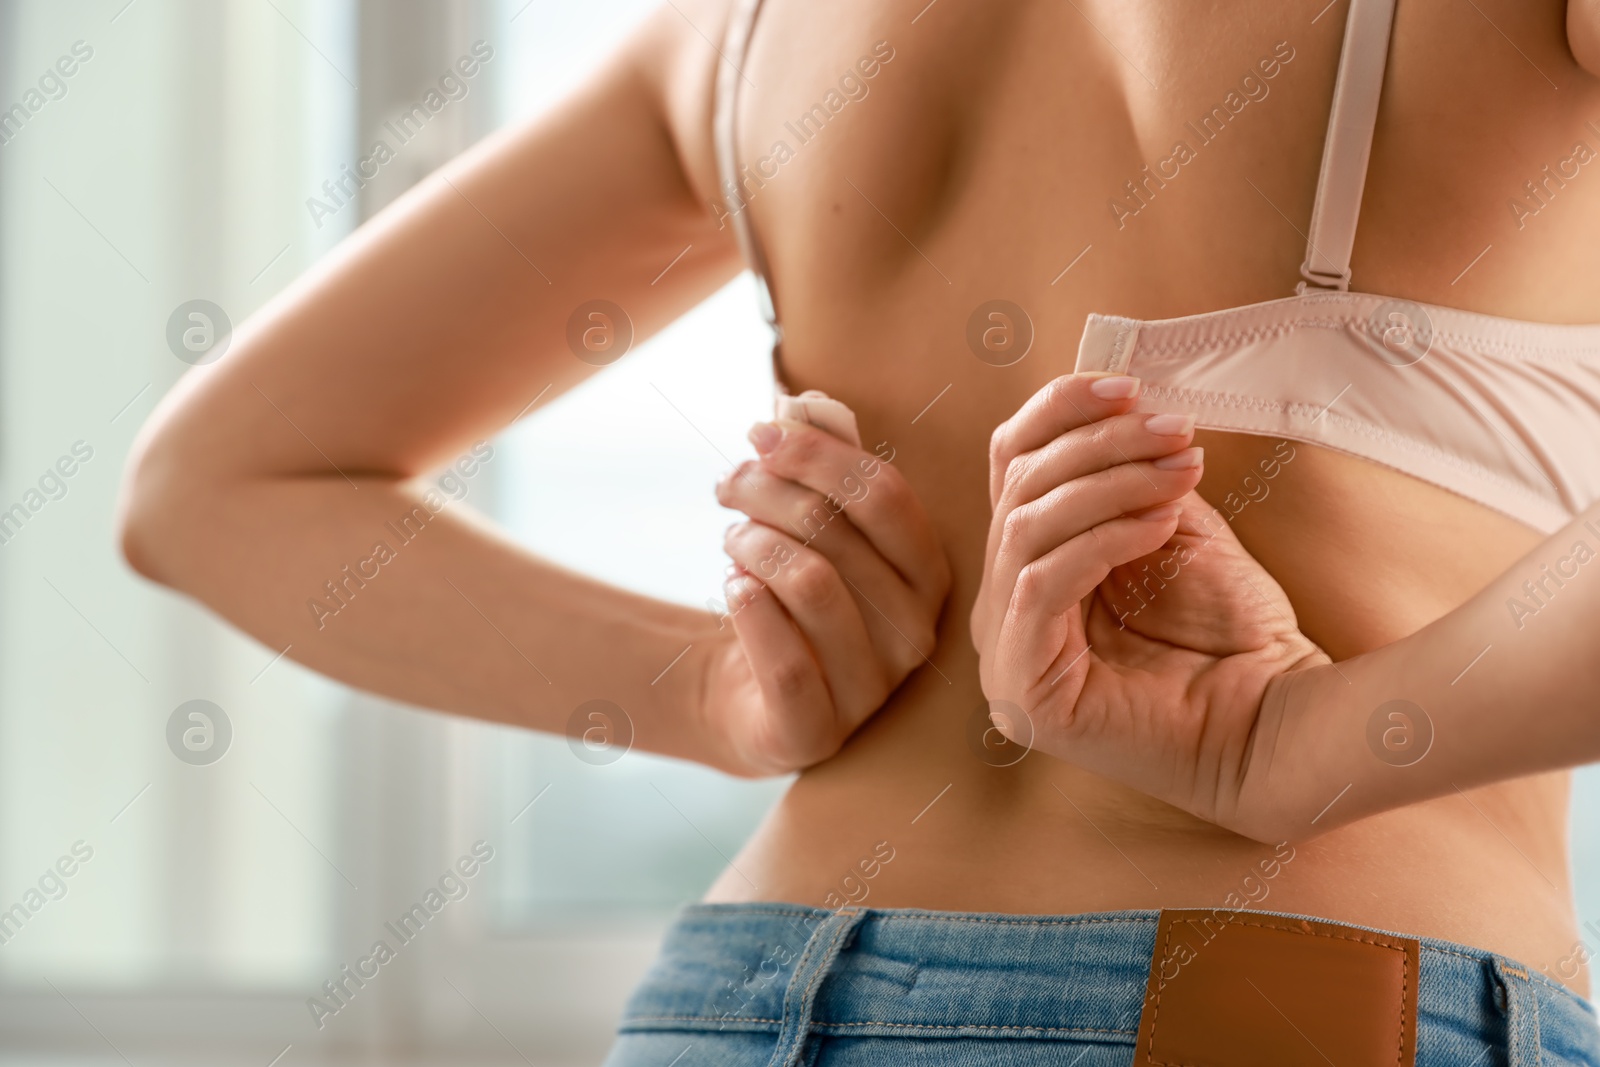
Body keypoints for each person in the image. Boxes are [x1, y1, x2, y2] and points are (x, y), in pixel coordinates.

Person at [117, 0, 1600, 1061]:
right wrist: (1302, 748)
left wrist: (709, 693)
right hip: (1277, 992)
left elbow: (209, 490)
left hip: (739, 998)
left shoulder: (745, 33)